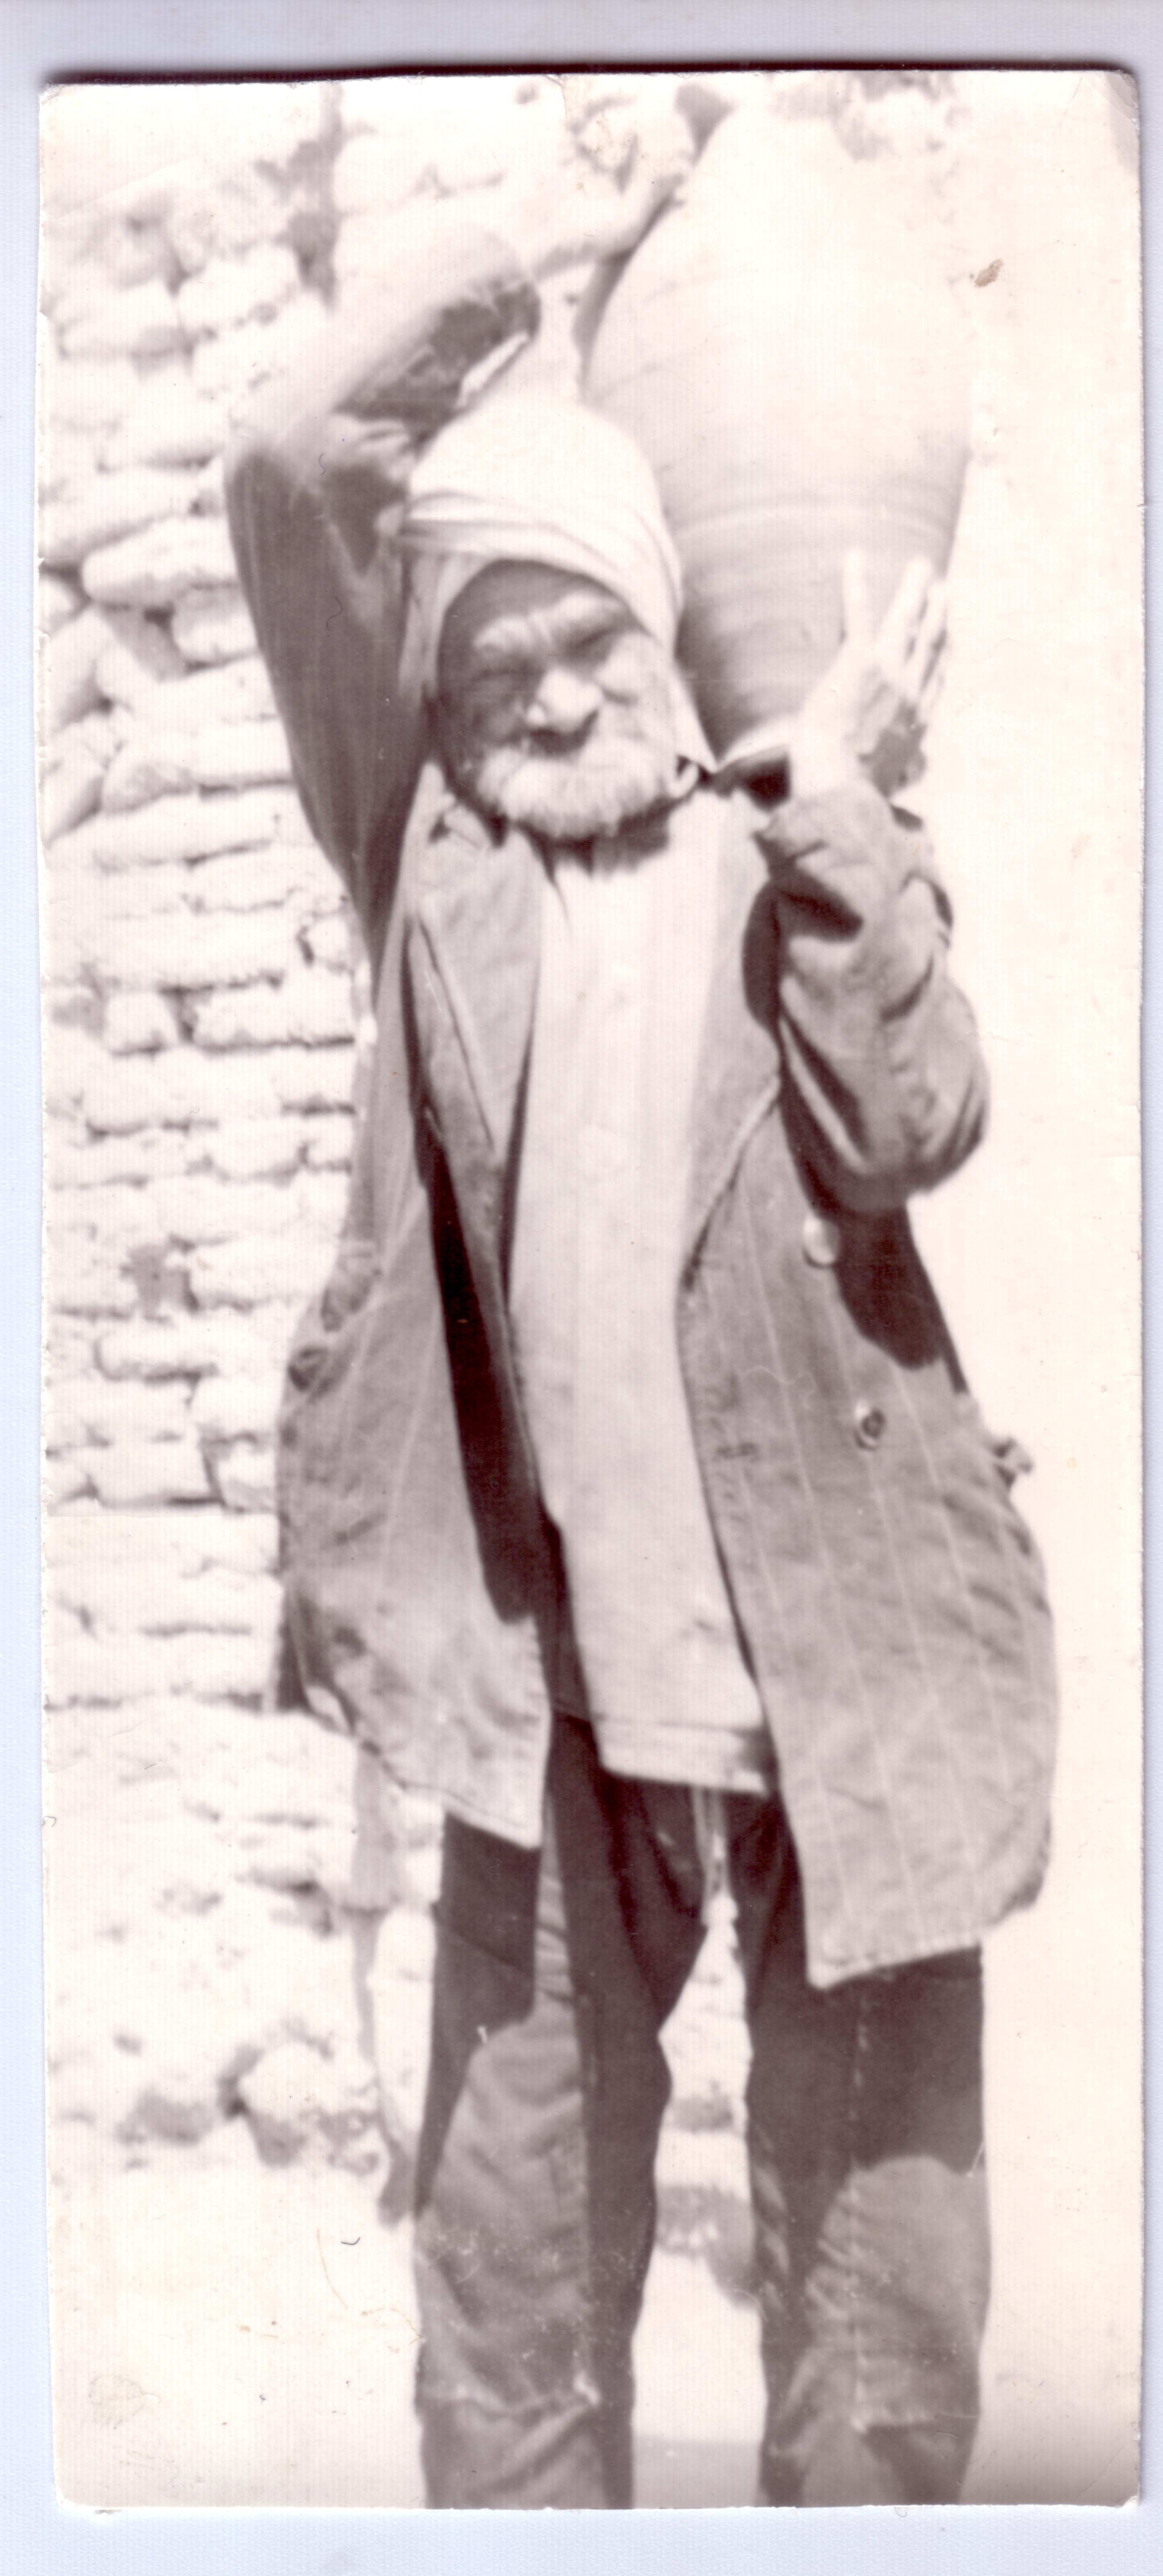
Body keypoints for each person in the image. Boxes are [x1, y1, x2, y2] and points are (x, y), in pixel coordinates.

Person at [225, 163, 1057, 2511]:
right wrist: (530, 255)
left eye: (589, 637)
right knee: (502, 2347)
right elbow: (289, 462)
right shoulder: (431, 863)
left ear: (663, 621)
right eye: (495, 667)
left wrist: (847, 814)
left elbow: (910, 1127)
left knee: (880, 2364)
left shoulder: (790, 838)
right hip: (557, 1720)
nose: (554, 696)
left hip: (846, 1694)